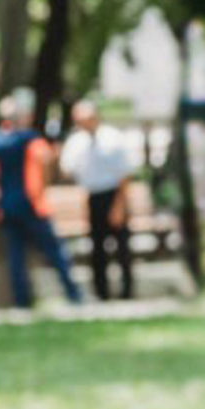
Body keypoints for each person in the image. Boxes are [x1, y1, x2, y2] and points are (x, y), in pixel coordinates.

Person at [0, 110, 88, 308]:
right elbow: (46, 159)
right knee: (55, 251)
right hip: (33, 204)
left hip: (7, 205)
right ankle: (73, 294)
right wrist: (42, 187)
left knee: (16, 255)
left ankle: (22, 301)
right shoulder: (30, 139)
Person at [66, 102, 138, 300]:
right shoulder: (76, 142)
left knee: (122, 248)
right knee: (97, 248)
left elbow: (125, 174)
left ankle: (127, 292)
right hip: (93, 196)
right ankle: (101, 293)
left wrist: (119, 205)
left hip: (114, 194)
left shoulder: (113, 138)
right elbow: (70, 170)